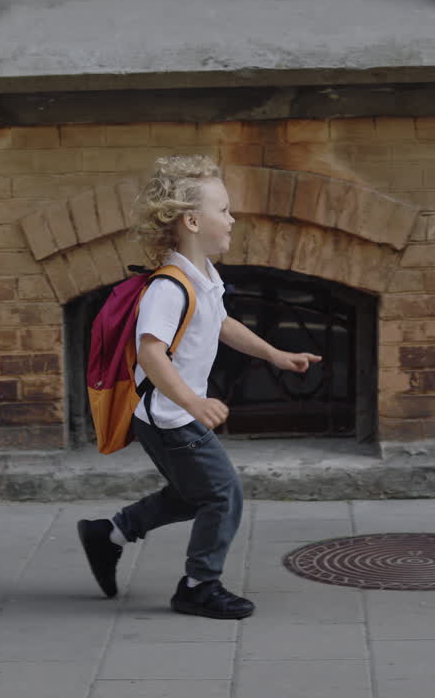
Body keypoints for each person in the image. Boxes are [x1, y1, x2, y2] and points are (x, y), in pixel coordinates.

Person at [77, 155, 321, 619]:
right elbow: (150, 352)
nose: (232, 218)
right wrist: (194, 401)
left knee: (194, 494)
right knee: (223, 493)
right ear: (192, 220)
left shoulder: (203, 277)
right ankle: (198, 585)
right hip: (171, 419)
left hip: (175, 414)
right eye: (224, 210)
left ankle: (110, 533)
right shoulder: (168, 289)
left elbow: (221, 323)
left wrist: (275, 355)